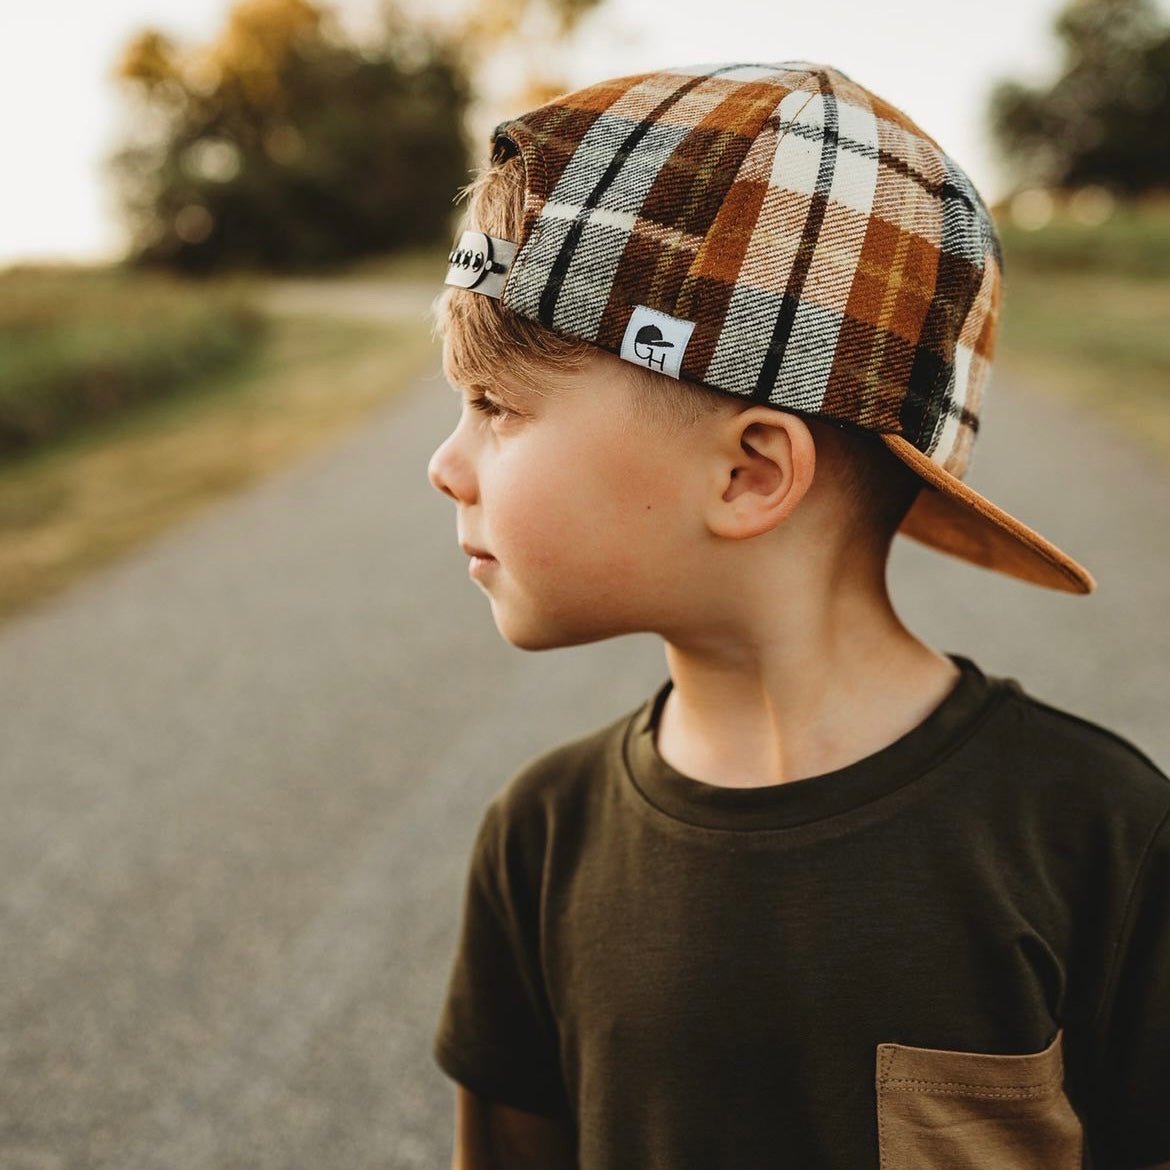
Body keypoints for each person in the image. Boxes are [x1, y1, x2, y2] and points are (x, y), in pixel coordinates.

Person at [424, 61, 1170, 1170]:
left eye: (495, 407)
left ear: (750, 474)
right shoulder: (540, 840)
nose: (447, 467)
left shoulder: (1099, 840)